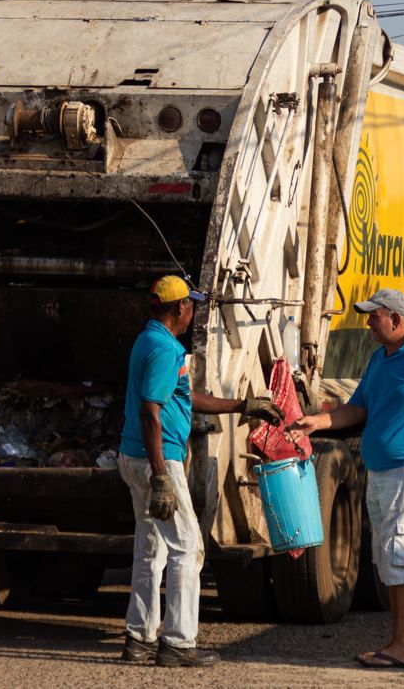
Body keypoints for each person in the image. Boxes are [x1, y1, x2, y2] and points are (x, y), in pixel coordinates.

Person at [287, 288, 404, 670]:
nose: (367, 323)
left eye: (373, 316)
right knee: (389, 558)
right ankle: (396, 643)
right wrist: (318, 422)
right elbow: (358, 408)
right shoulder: (381, 358)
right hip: (383, 473)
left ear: (396, 319)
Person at [118, 275, 284, 668]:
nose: (193, 310)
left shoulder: (150, 340)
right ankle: (178, 642)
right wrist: (161, 474)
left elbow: (188, 399)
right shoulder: (163, 350)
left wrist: (243, 405)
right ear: (180, 309)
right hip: (157, 461)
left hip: (135, 458)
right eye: (191, 304)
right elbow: (150, 411)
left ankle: (138, 638)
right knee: (188, 547)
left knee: (151, 549)